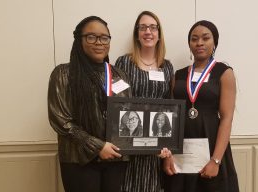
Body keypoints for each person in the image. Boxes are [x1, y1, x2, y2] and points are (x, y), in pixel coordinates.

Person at [47, 16, 131, 192]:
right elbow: (61, 121)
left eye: (104, 37)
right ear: (79, 40)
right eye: (91, 37)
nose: (99, 42)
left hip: (115, 159)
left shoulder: (119, 75)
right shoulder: (63, 74)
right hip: (79, 160)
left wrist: (149, 142)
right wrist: (98, 146)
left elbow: (129, 114)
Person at [163, 20, 239, 191]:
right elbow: (171, 117)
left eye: (205, 38)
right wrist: (168, 155)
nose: (199, 43)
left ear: (214, 42)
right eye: (194, 39)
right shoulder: (179, 74)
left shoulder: (224, 72)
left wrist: (216, 160)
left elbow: (227, 119)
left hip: (212, 148)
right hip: (181, 152)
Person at [115, 11, 174, 192]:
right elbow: (117, 102)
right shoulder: (124, 63)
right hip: (129, 142)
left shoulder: (167, 66)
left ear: (159, 34)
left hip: (155, 146)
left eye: (153, 27)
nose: (148, 31)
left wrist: (168, 148)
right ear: (137, 34)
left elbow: (170, 107)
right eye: (143, 27)